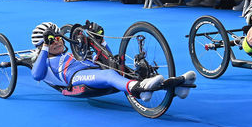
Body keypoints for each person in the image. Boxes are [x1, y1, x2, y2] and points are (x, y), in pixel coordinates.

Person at [29, 22, 195, 100]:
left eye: (58, 38)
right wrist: (45, 46)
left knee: (117, 66)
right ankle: (137, 89)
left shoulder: (73, 52)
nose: (57, 41)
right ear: (41, 45)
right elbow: (36, 75)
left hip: (93, 69)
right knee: (109, 74)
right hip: (76, 78)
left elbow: (108, 59)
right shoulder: (44, 62)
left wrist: (100, 41)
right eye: (52, 40)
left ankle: (174, 88)